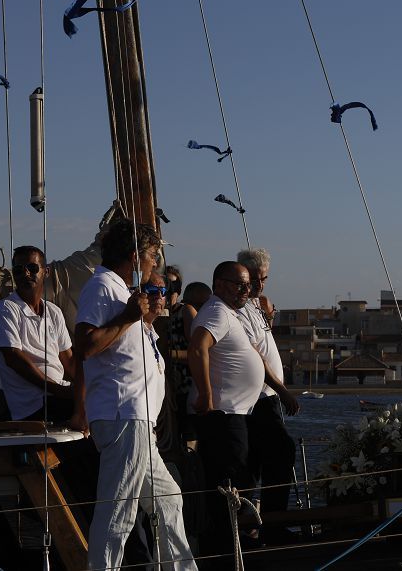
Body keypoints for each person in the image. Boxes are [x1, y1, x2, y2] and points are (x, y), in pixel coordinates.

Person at [73, 219, 196, 570]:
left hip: (137, 420)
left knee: (169, 499)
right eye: (152, 256)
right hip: (124, 415)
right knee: (118, 511)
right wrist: (128, 317)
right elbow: (85, 346)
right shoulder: (102, 287)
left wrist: (141, 319)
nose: (154, 264)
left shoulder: (121, 291)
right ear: (134, 256)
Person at [188, 261, 266, 566]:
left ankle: (229, 546)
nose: (246, 290)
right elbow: (198, 348)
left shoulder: (228, 313)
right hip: (222, 416)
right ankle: (222, 553)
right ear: (219, 284)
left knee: (235, 481)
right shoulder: (216, 311)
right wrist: (206, 393)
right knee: (226, 486)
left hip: (235, 414)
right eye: (240, 284)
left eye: (248, 285)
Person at [236, 248, 300, 542]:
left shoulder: (255, 307)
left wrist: (269, 318)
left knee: (261, 461)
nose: (261, 285)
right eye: (256, 279)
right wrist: (283, 391)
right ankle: (270, 523)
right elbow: (255, 358)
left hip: (267, 398)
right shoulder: (239, 311)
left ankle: (258, 522)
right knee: (280, 452)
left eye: (265, 279)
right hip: (260, 399)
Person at [0, 245, 75, 422]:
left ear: (46, 272)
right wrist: (57, 390)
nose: (26, 274)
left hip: (57, 394)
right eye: (19, 270)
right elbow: (13, 358)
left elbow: (70, 361)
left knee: (106, 401)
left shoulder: (54, 312)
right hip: (34, 404)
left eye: (33, 268)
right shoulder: (6, 310)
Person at [168, 281, 212, 440]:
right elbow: (197, 352)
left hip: (184, 386)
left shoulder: (183, 312)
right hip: (178, 387)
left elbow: (198, 353)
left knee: (188, 437)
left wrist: (169, 355)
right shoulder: (183, 311)